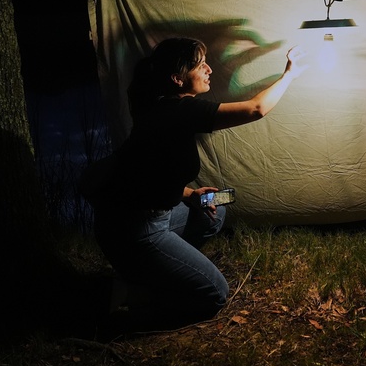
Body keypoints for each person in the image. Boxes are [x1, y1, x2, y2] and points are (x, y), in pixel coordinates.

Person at [90, 36, 305, 325]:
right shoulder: (179, 110)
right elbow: (256, 109)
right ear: (178, 79)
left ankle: (159, 269)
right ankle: (134, 293)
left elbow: (147, 172)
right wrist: (290, 74)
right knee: (214, 293)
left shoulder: (159, 108)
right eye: (200, 65)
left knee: (216, 206)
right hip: (136, 231)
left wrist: (190, 195)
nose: (209, 70)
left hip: (146, 216)